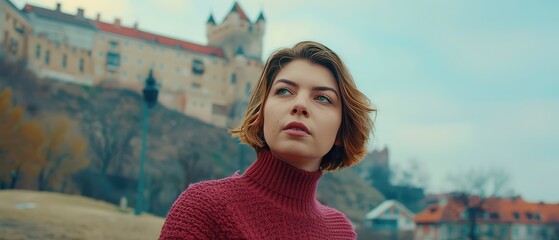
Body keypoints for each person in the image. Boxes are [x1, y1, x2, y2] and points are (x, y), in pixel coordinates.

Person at [158, 41, 375, 239]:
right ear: (260, 115)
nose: (299, 105)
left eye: (322, 98)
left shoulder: (341, 232)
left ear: (340, 131)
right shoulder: (203, 208)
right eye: (284, 91)